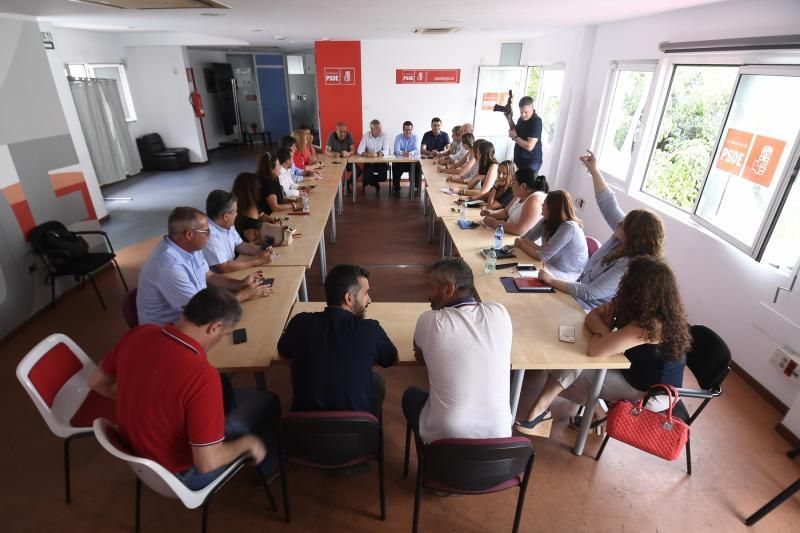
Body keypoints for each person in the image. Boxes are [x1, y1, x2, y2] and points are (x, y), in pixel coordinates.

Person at [90, 287, 282, 489]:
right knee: (268, 401)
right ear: (214, 327)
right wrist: (248, 443)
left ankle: (214, 432)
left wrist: (142, 398)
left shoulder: (138, 333)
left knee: (224, 386)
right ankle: (268, 466)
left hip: (139, 456)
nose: (221, 339)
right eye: (225, 333)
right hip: (182, 476)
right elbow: (207, 463)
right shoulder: (202, 376)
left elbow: (96, 382)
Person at [515, 256, 692, 435]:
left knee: (572, 363)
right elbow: (592, 317)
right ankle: (592, 412)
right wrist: (605, 332)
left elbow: (594, 351)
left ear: (640, 288)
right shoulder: (636, 303)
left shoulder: (651, 325)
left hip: (650, 391)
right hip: (632, 369)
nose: (625, 281)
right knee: (574, 360)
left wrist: (605, 336)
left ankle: (541, 412)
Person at [402, 258, 513, 444]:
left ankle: (428, 459)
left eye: (431, 287)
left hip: (447, 441)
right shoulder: (500, 313)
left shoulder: (430, 321)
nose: (427, 294)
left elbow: (420, 357)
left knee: (411, 395)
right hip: (500, 441)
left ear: (448, 289)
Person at [537, 150, 665, 309]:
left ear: (634, 236)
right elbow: (608, 203)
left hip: (587, 310)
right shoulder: (622, 235)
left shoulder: (629, 265)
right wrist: (594, 171)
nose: (618, 224)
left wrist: (551, 281)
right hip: (575, 296)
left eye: (623, 224)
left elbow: (591, 293)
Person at [278, 265, 398, 415]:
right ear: (349, 298)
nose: (369, 300)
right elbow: (391, 358)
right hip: (357, 431)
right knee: (377, 381)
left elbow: (283, 351)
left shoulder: (299, 323)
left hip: (305, 431)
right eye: (366, 293)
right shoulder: (370, 330)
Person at [136, 207, 272, 326]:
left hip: (195, 313)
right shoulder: (169, 266)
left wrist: (240, 284)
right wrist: (243, 295)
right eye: (206, 232)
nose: (210, 235)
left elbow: (209, 276)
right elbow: (199, 311)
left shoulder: (191, 247)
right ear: (189, 234)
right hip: (170, 332)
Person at [514, 190, 588, 281]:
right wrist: (537, 247)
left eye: (544, 204)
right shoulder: (547, 220)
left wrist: (523, 244)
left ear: (552, 208)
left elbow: (541, 256)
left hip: (568, 273)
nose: (541, 206)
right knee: (517, 268)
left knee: (526, 275)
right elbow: (526, 238)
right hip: (550, 264)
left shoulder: (569, 227)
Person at [203, 190, 274, 273]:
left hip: (232, 269)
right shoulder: (209, 234)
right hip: (221, 278)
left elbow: (240, 245)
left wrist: (260, 251)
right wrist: (258, 261)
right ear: (226, 216)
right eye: (235, 212)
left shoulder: (226, 223)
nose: (237, 214)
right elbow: (224, 267)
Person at [482, 167, 548, 236]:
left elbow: (520, 230)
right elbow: (506, 212)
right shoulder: (520, 194)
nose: (511, 185)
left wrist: (494, 223)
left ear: (523, 186)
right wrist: (491, 213)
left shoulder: (535, 199)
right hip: (509, 236)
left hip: (522, 243)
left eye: (513, 182)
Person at [231, 172, 283, 243]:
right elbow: (255, 239)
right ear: (251, 190)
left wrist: (272, 221)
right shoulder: (250, 211)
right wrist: (274, 228)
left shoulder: (245, 204)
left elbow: (262, 215)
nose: (259, 187)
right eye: (257, 186)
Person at [509, 95, 543, 172]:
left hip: (531, 161)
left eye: (525, 112)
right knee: (516, 182)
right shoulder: (521, 119)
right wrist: (509, 118)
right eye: (521, 112)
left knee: (526, 183)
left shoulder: (536, 121)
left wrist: (515, 137)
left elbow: (529, 146)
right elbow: (515, 132)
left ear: (532, 108)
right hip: (519, 158)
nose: (523, 115)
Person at [357, 119, 390, 193]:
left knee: (383, 177)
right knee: (366, 177)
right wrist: (368, 154)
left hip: (381, 163)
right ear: (372, 129)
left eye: (381, 128)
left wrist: (377, 154)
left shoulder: (384, 135)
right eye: (378, 128)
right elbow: (359, 150)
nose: (380, 130)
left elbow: (387, 150)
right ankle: (375, 183)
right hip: (369, 162)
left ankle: (369, 181)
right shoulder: (366, 135)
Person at [392, 120, 421, 196]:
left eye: (410, 129)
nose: (408, 131)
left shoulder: (415, 137)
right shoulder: (398, 137)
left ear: (412, 129)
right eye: (406, 129)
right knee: (395, 165)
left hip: (412, 162)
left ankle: (416, 186)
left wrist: (410, 153)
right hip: (401, 162)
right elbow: (396, 150)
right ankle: (396, 186)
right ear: (403, 130)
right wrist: (403, 153)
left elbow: (417, 150)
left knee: (418, 166)